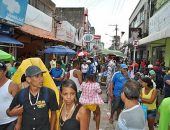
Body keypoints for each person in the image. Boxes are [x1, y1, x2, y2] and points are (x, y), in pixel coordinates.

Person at [7, 65, 59, 130]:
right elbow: (9, 111)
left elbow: (54, 113)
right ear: (28, 79)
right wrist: (11, 113)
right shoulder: (21, 94)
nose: (41, 79)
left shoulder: (49, 93)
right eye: (37, 76)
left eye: (41, 75)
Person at [0, 61, 20, 130]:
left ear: (5, 72)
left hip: (10, 122)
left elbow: (21, 105)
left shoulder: (12, 85)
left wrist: (18, 123)